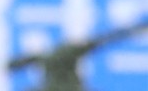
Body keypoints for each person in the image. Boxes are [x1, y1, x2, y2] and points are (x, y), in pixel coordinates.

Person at [8, 21, 148, 91]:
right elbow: (104, 40)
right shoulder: (67, 52)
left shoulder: (49, 57)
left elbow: (26, 61)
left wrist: (14, 65)